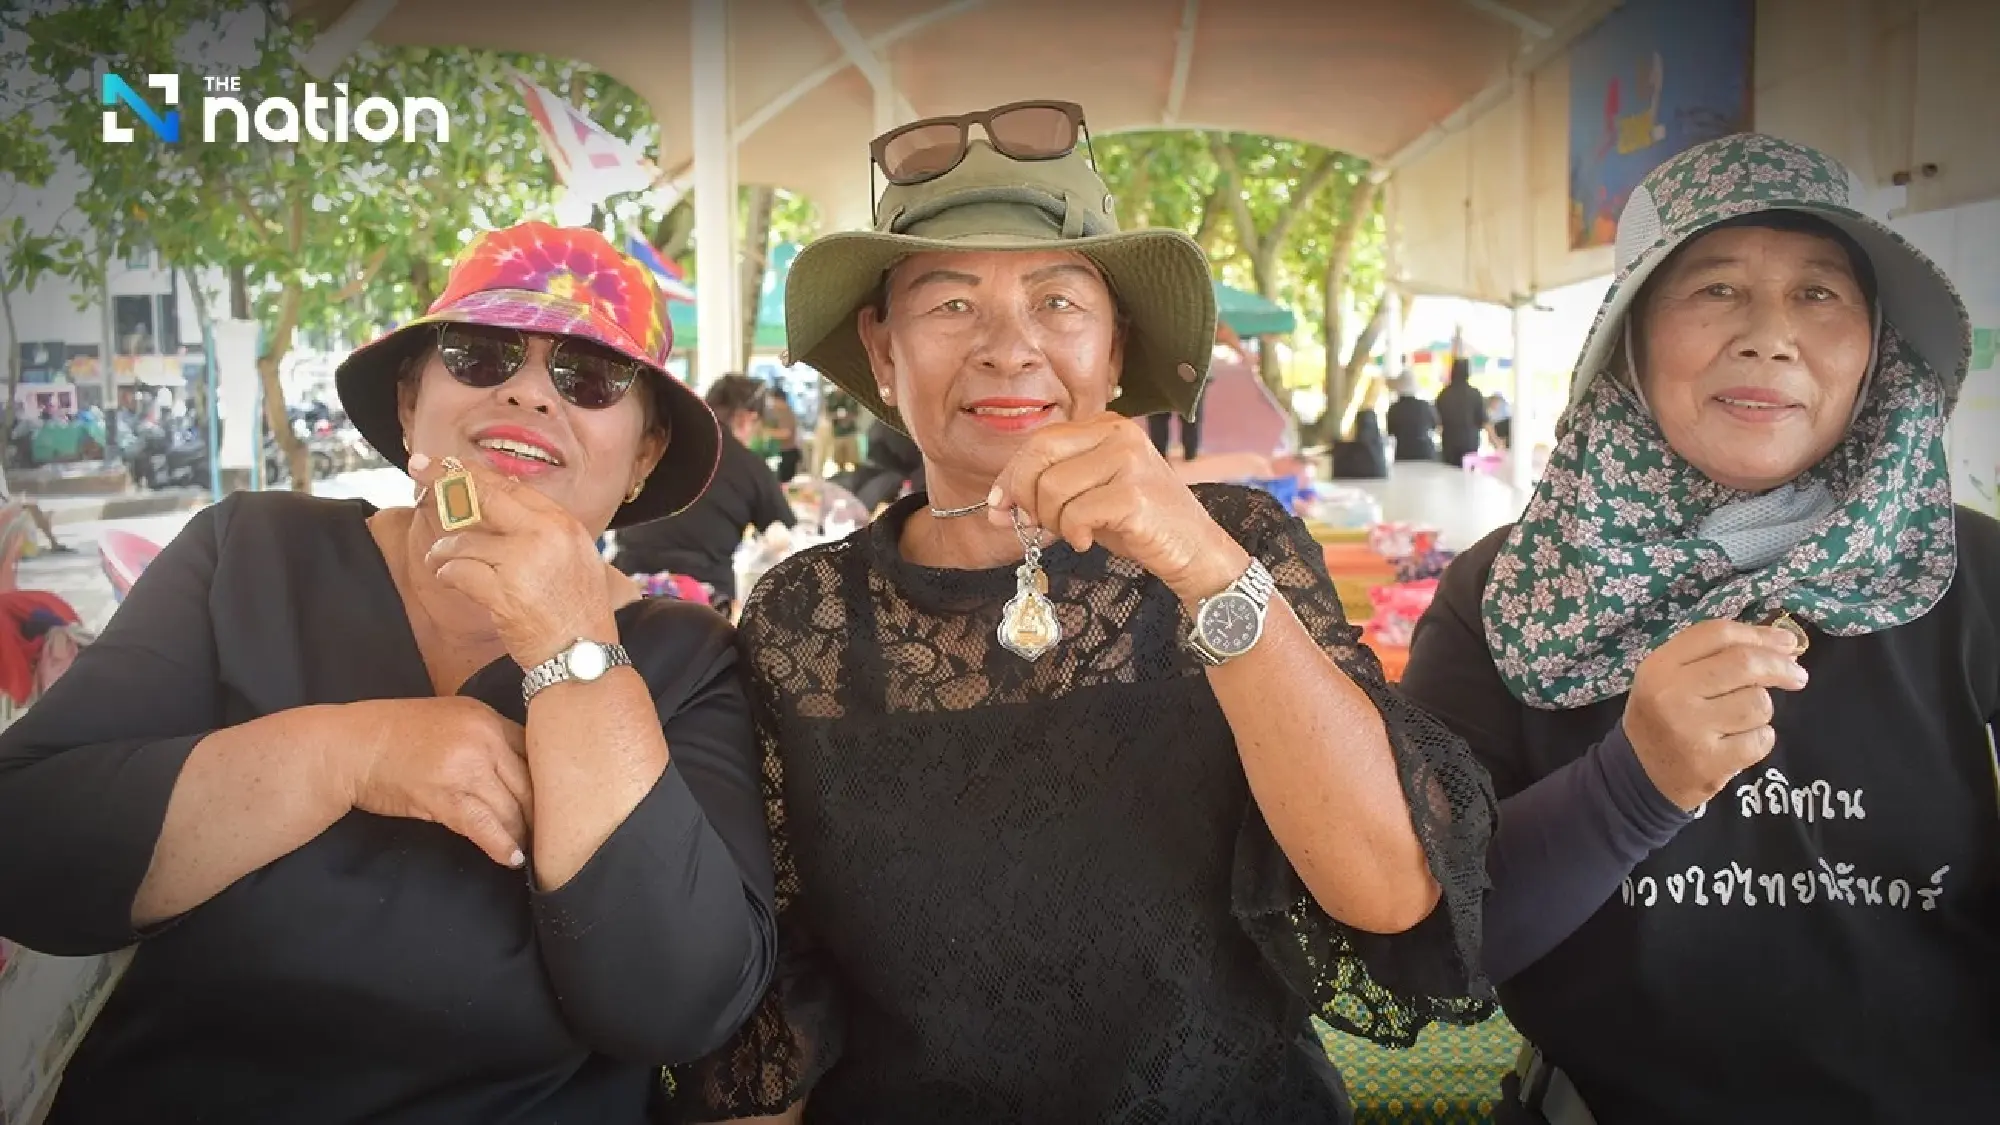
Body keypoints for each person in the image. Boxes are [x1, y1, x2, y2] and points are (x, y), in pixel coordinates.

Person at [663, 99, 1494, 1125]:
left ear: (1113, 351)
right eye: (949, 306)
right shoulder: (805, 613)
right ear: (882, 351)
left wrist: (1202, 567)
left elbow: (1386, 890)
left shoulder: (1238, 542)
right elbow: (782, 976)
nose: (1008, 349)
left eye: (1057, 303)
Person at [0, 223, 776, 1125]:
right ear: (412, 401)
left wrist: (573, 648)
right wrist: (349, 753)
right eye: (482, 354)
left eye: (590, 377)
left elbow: (678, 1003)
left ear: (642, 454)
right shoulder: (248, 553)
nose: (528, 391)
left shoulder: (688, 658)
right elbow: (27, 848)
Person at [1398, 134, 2000, 1124]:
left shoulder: (1967, 577)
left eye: (1818, 294)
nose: (1768, 336)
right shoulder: (1509, 589)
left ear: (1872, 346)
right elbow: (1425, 951)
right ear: (1629, 339)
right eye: (1713, 289)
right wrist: (1631, 787)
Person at [614, 373, 797, 616]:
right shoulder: (749, 466)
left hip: (626, 585)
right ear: (746, 419)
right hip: (702, 599)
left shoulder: (661, 445)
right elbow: (781, 534)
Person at [1434, 357, 1485, 467]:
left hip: (1449, 442)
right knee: (1468, 475)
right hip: (1470, 441)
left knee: (1451, 475)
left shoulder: (1443, 395)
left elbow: (1437, 422)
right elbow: (1483, 419)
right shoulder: (1475, 394)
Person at [1384, 368, 1439, 462]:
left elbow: (1391, 432)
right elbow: (1435, 426)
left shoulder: (1393, 409)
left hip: (1404, 453)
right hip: (1426, 452)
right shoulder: (1425, 406)